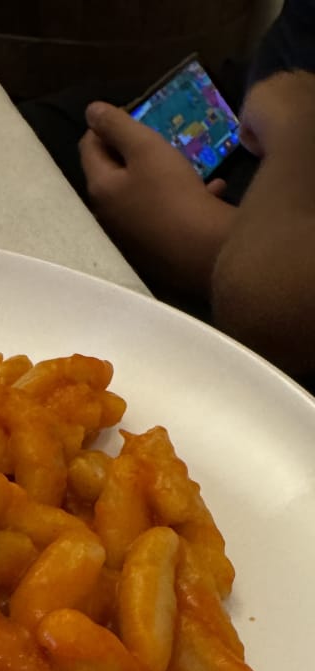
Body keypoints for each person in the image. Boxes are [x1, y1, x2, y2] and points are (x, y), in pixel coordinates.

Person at [23, 2, 315, 385]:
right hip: (257, 120)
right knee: (31, 135)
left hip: (270, 257)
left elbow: (272, 309)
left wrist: (201, 238)